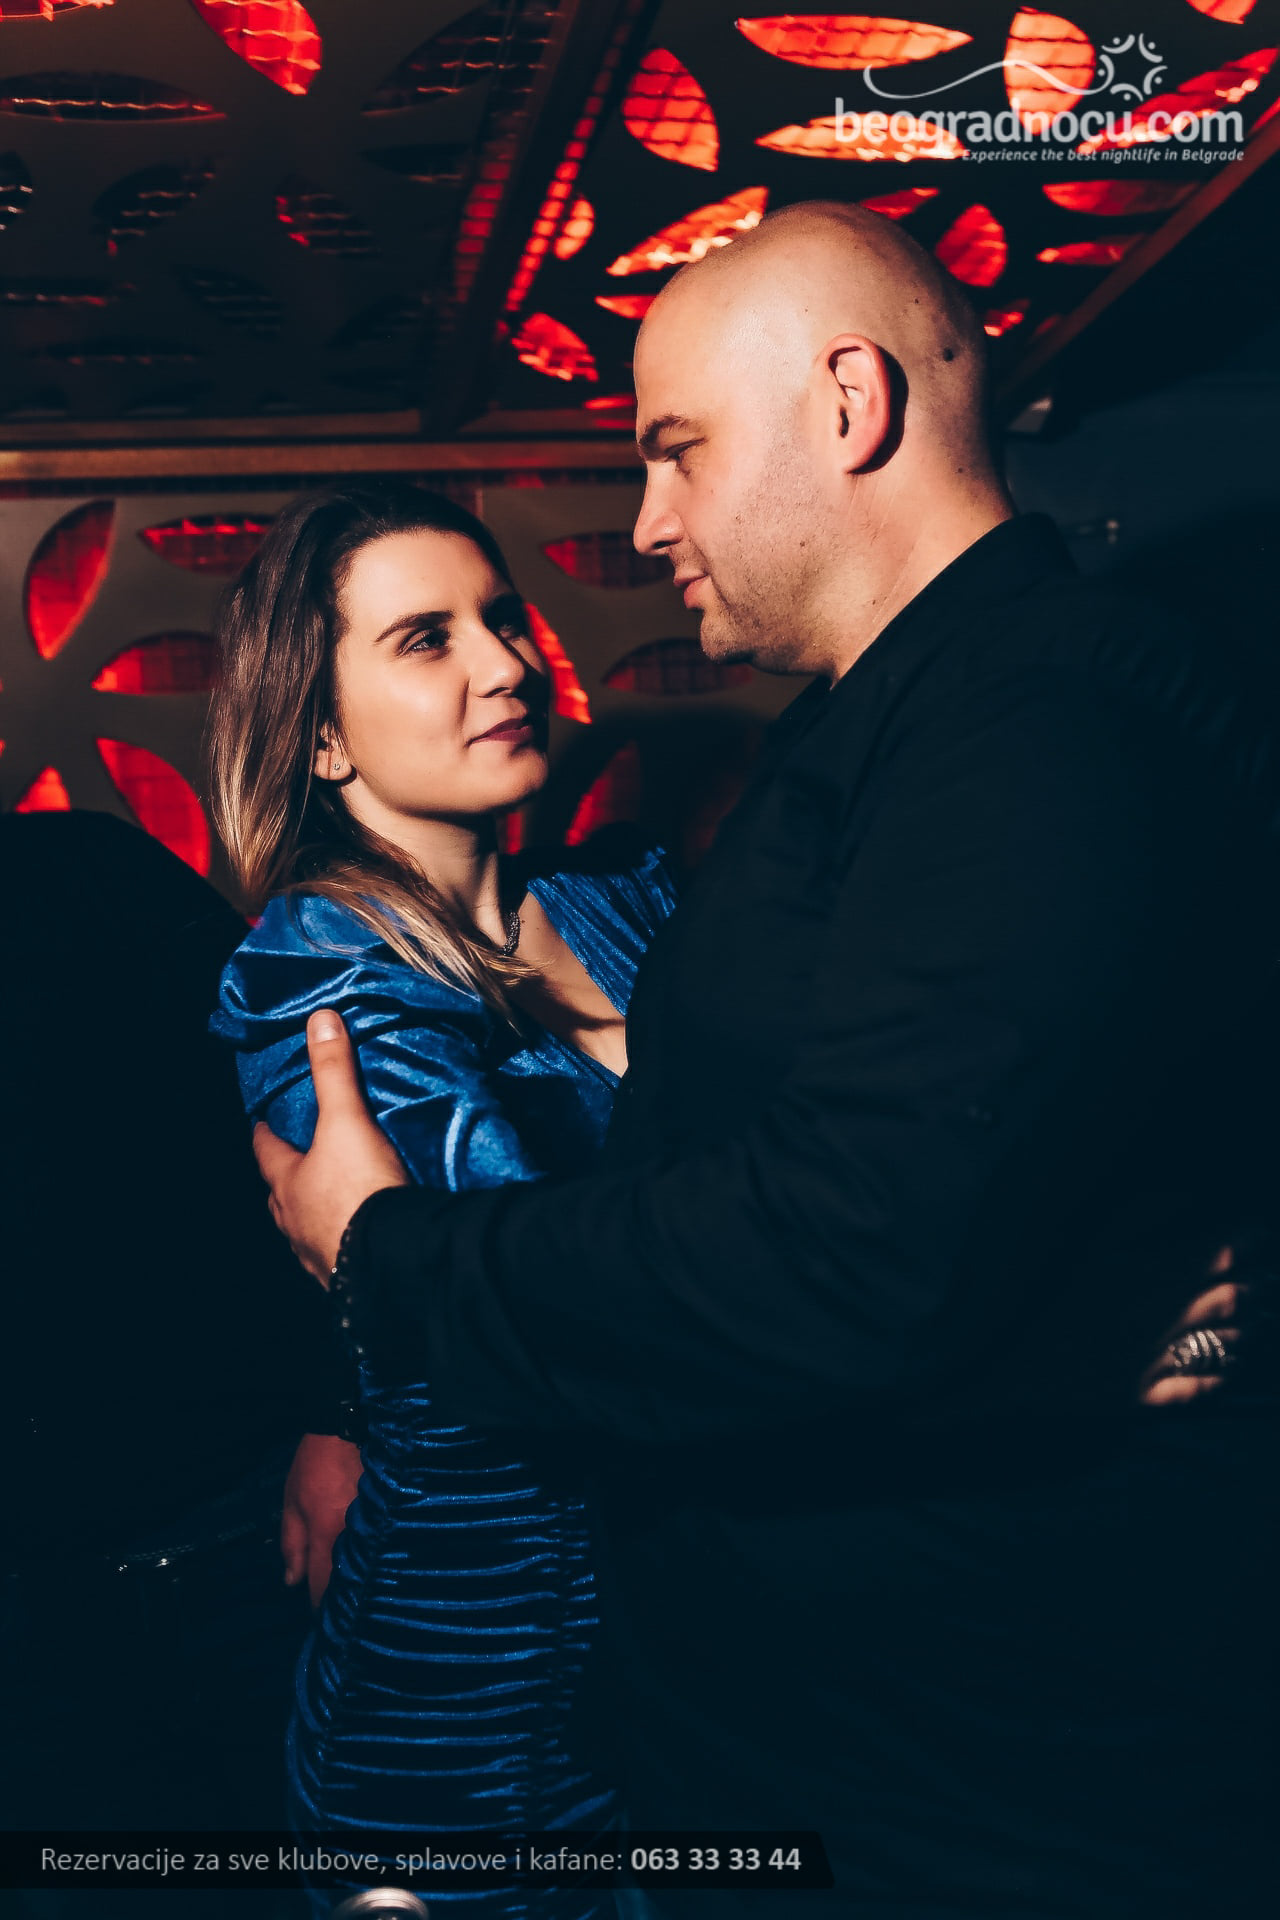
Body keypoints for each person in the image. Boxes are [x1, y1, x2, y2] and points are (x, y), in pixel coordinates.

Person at [252, 202, 1280, 1918]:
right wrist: (1059, 1337)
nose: (645, 520)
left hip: (964, 1788)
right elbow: (863, 1219)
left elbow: (850, 1242)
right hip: (617, 1697)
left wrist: (394, 1260)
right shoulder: (874, 736)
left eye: (677, 449)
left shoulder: (1030, 714)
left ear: (850, 405)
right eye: (426, 638)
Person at [208, 481, 678, 1918]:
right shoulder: (318, 977)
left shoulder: (621, 902)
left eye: (503, 619)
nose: (508, 664)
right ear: (323, 735)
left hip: (681, 1646)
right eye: (427, 638)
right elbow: (535, 1311)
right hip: (469, 1683)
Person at [0, 808, 325, 1920]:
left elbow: (307, 1111)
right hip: (31, 1633)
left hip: (252, 1538)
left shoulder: (83, 869)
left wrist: (343, 1417)